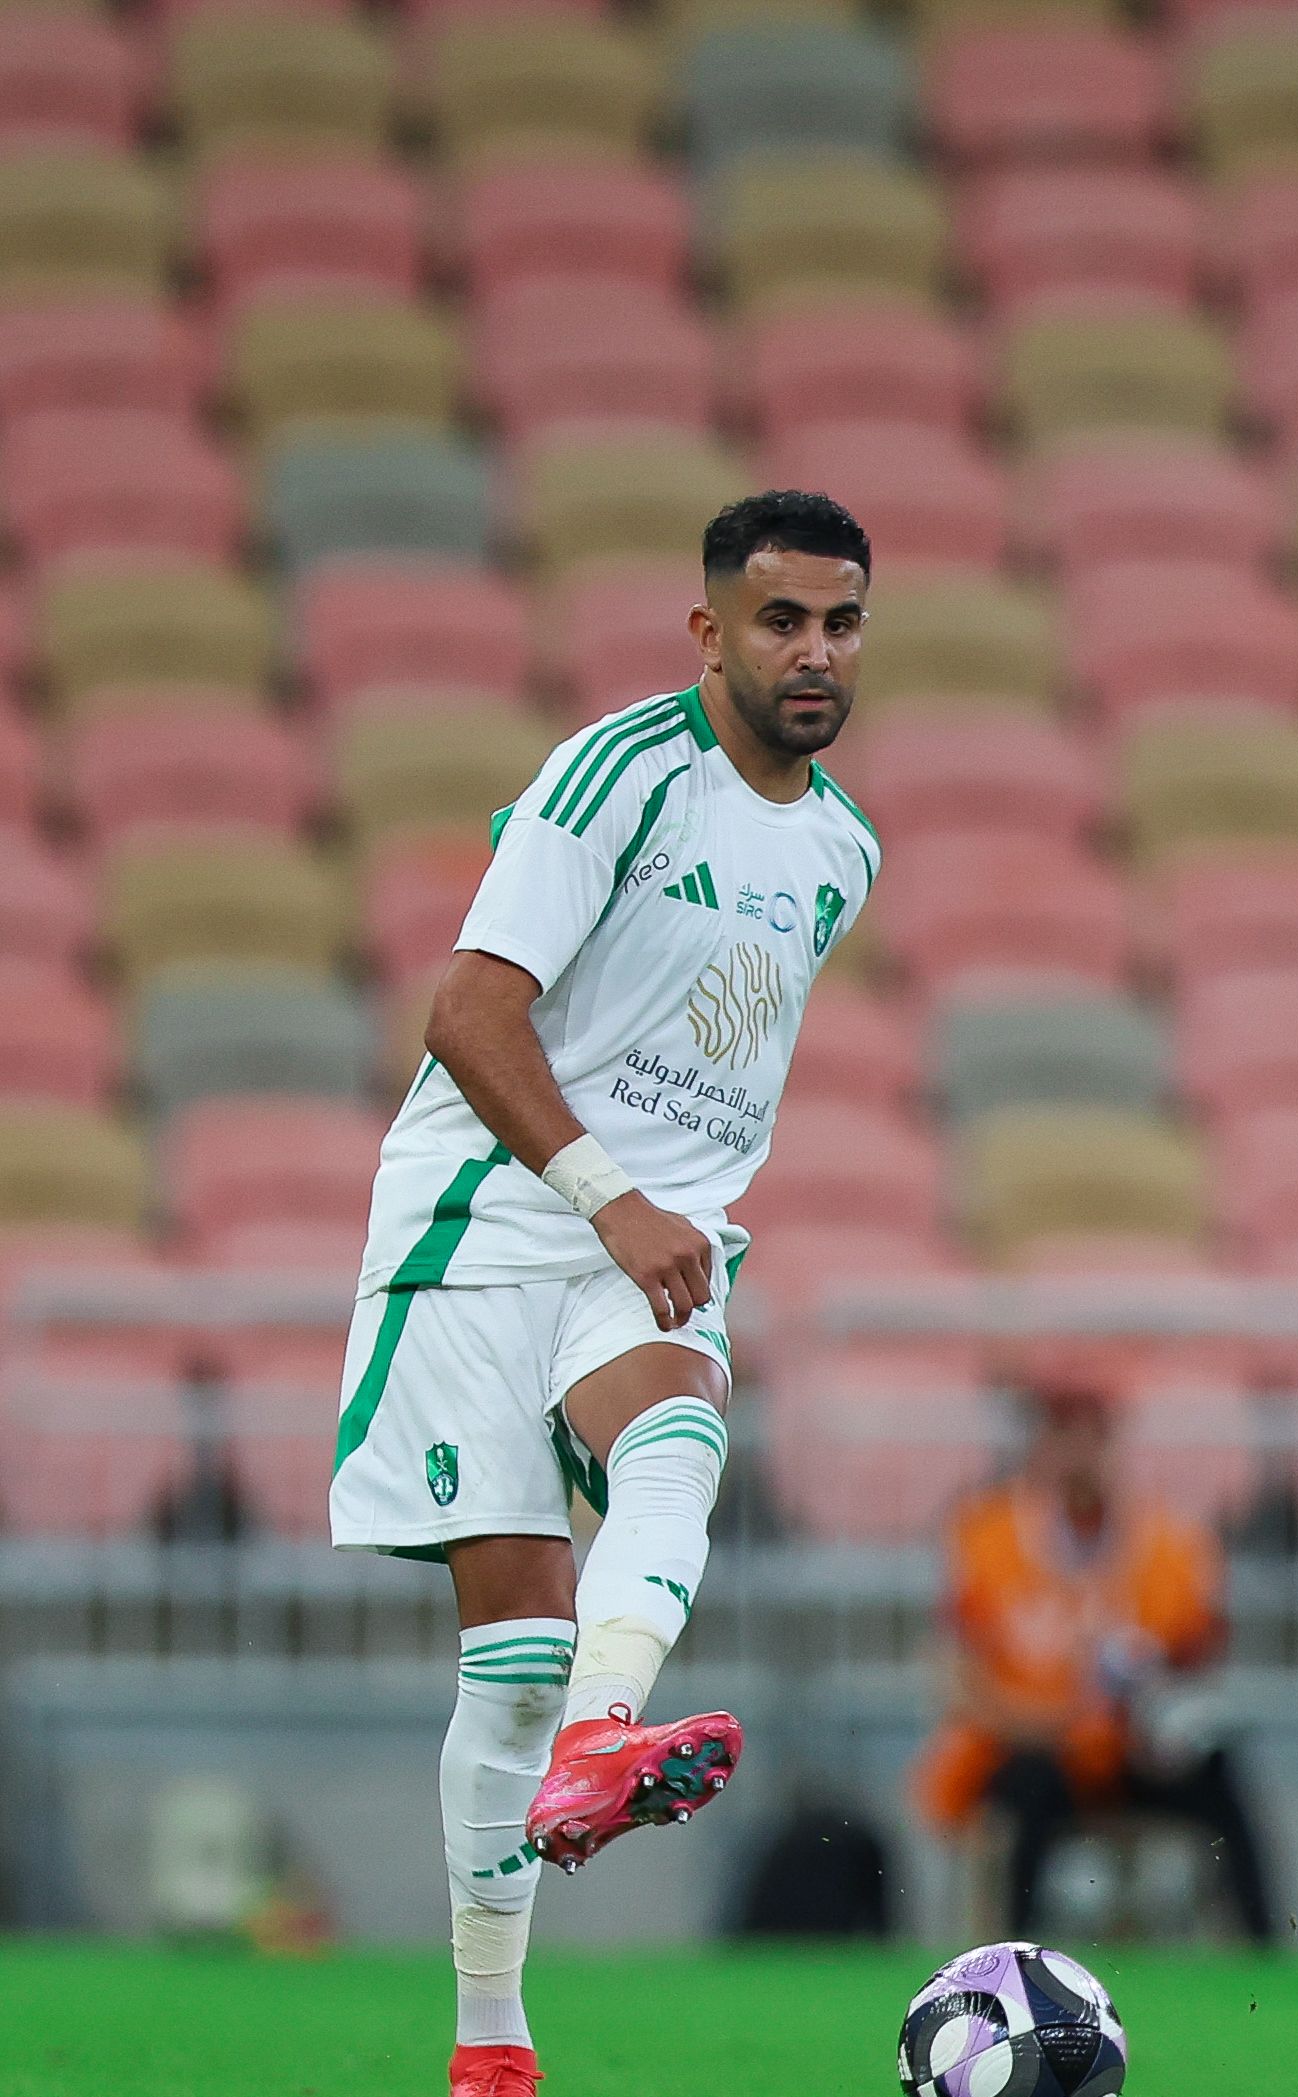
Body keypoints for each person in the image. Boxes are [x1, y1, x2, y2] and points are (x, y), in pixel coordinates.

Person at [326, 492, 883, 2097]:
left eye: (842, 622)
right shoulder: (617, 774)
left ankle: (604, 1735)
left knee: (681, 1429)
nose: (815, 653)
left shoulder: (843, 852)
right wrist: (607, 1193)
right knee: (507, 1651)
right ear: (710, 631)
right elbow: (465, 1009)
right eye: (782, 621)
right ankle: (492, 2048)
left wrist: (655, 1210)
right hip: (487, 1222)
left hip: (653, 1235)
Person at [915, 1383, 1279, 1943]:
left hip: (1133, 1749)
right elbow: (956, 1673)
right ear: (1040, 1448)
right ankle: (1009, 1965)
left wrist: (1160, 1707)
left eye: (1093, 1439)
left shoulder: (1169, 1542)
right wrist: (1044, 1722)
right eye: (1064, 1438)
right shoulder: (987, 1537)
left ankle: (1266, 1953)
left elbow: (1199, 1657)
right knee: (1025, 1800)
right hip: (1033, 1747)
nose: (1079, 1456)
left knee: (1221, 1772)